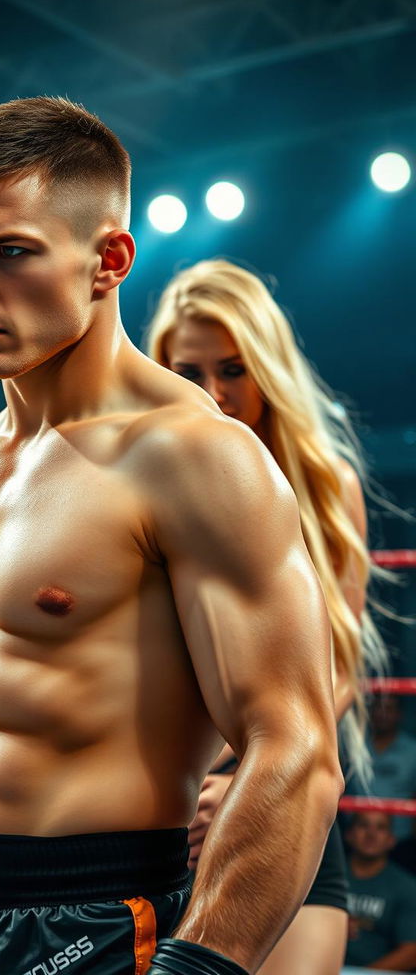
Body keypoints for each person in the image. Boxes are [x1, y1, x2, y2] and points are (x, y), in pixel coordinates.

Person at [0, 98, 343, 975]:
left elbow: (296, 746)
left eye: (9, 252)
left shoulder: (195, 457)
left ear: (108, 261)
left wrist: (202, 964)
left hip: (108, 924)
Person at [146, 258, 385, 975]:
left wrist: (249, 777)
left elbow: (335, 669)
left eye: (233, 370)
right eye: (188, 373)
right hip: (162, 810)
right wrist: (190, 781)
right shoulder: (136, 481)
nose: (213, 395)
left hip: (279, 784)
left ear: (268, 371)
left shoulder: (322, 483)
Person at [345, 811, 416, 971]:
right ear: (349, 834)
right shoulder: (322, 876)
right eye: (363, 825)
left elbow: (412, 952)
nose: (371, 834)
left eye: (381, 827)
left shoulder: (407, 886)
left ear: (392, 840)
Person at [347, 693, 416, 842]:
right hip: (354, 836)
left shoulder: (413, 750)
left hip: (400, 837)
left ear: (399, 714)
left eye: (389, 708)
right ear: (369, 711)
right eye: (377, 707)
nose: (382, 713)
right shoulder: (353, 745)